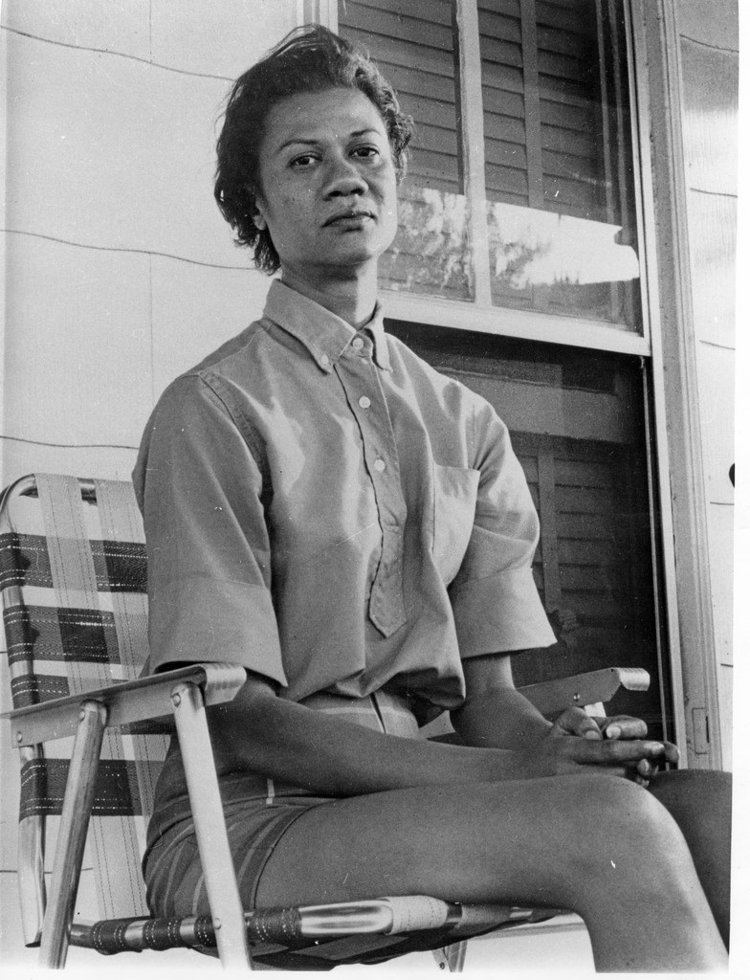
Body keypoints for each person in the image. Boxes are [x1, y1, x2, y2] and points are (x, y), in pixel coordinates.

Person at [133, 25, 730, 972]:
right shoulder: (212, 409)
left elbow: (490, 701)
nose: (344, 177)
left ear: (398, 180)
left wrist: (554, 747)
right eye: (304, 159)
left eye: (365, 151)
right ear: (256, 202)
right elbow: (237, 715)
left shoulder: (465, 424)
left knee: (716, 813)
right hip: (249, 823)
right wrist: (509, 773)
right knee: (609, 826)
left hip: (427, 799)